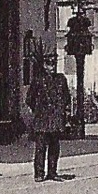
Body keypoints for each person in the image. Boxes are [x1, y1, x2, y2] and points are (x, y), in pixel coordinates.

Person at [26, 51, 71, 181]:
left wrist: (61, 111)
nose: (51, 67)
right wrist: (39, 111)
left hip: (56, 118)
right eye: (48, 64)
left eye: (53, 64)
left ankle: (52, 172)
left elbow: (66, 97)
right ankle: (39, 173)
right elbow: (30, 99)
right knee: (40, 147)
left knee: (54, 147)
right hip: (42, 118)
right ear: (44, 65)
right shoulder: (38, 80)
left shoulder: (61, 79)